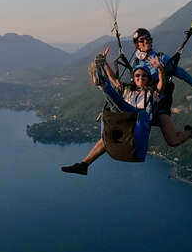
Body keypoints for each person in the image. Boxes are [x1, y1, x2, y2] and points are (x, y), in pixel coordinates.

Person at [61, 47, 166, 175]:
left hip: (139, 120)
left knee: (119, 104)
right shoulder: (127, 90)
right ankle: (83, 165)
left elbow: (161, 85)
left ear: (148, 79)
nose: (141, 77)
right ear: (134, 78)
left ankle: (102, 84)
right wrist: (104, 62)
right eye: (137, 75)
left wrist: (160, 69)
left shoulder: (151, 93)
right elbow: (113, 78)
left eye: (144, 75)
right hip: (124, 120)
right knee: (109, 126)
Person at [130, 27, 192, 148]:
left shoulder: (162, 59)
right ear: (137, 45)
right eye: (142, 40)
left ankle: (189, 132)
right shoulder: (136, 63)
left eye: (148, 38)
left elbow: (183, 74)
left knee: (173, 141)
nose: (146, 41)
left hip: (160, 104)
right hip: (143, 105)